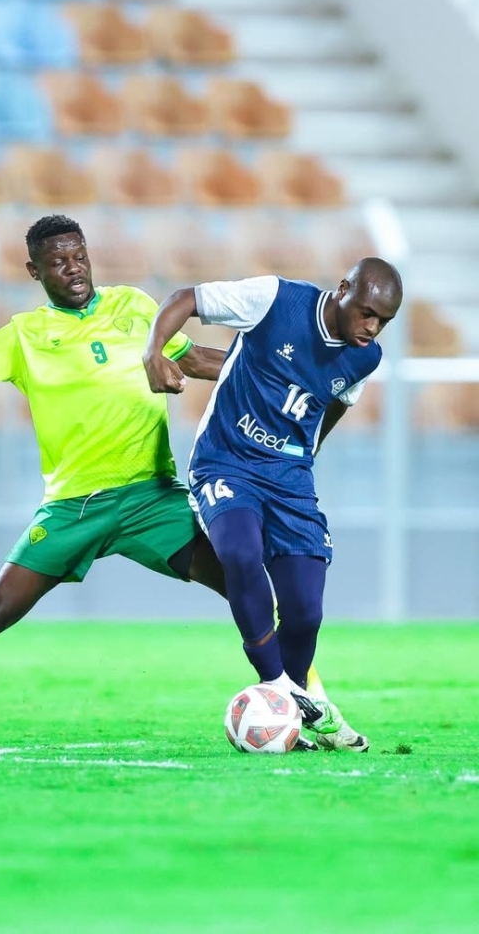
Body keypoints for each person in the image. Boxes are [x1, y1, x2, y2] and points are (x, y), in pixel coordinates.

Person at [0, 214, 364, 752]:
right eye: (58, 261)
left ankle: (315, 711)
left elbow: (200, 359)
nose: (73, 268)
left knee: (249, 585)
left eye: (79, 256)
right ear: (33, 271)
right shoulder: (25, 336)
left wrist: (280, 382)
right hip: (73, 506)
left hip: (153, 497)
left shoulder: (133, 307)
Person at [144, 258, 402, 740]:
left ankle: (294, 702)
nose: (373, 327)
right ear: (343, 288)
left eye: (384, 320)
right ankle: (277, 687)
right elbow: (184, 298)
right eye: (367, 312)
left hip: (290, 479)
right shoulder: (274, 300)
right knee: (239, 552)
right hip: (226, 461)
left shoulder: (366, 357)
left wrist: (302, 461)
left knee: (306, 610)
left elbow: (333, 406)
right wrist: (153, 350)